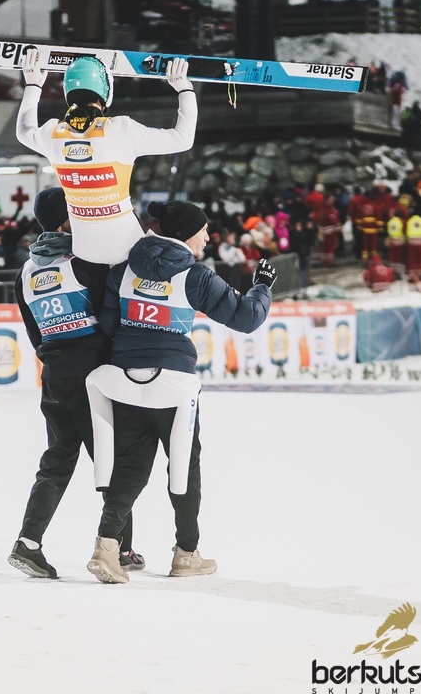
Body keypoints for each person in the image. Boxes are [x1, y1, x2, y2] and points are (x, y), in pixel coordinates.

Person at [84, 200, 276, 584]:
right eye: (203, 230)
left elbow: (106, 323)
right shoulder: (194, 275)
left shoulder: (123, 270)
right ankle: (186, 553)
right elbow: (246, 317)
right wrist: (262, 287)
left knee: (131, 467)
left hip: (125, 382)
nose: (207, 237)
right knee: (184, 467)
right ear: (187, 233)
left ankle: (106, 547)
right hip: (174, 387)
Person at [8, 187, 142, 580]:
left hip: (55, 375)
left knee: (56, 461)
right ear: (66, 221)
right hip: (92, 375)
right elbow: (112, 317)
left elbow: (35, 333)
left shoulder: (26, 273)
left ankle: (28, 542)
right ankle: (119, 548)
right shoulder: (85, 263)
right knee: (112, 461)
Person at [16, 49, 197, 265]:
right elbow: (183, 139)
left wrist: (33, 86)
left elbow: (23, 131)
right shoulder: (119, 129)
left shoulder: (52, 133)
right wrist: (185, 89)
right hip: (128, 250)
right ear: (107, 92)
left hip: (83, 251)